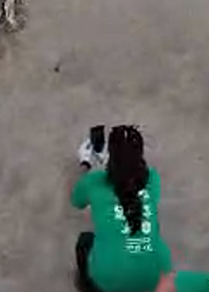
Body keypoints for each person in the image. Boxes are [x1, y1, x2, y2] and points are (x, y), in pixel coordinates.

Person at [72, 125, 172, 292]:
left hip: (107, 280)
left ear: (111, 155)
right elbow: (129, 183)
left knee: (84, 241)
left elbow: (77, 201)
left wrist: (85, 163)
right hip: (156, 280)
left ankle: (86, 286)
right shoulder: (153, 179)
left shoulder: (94, 182)